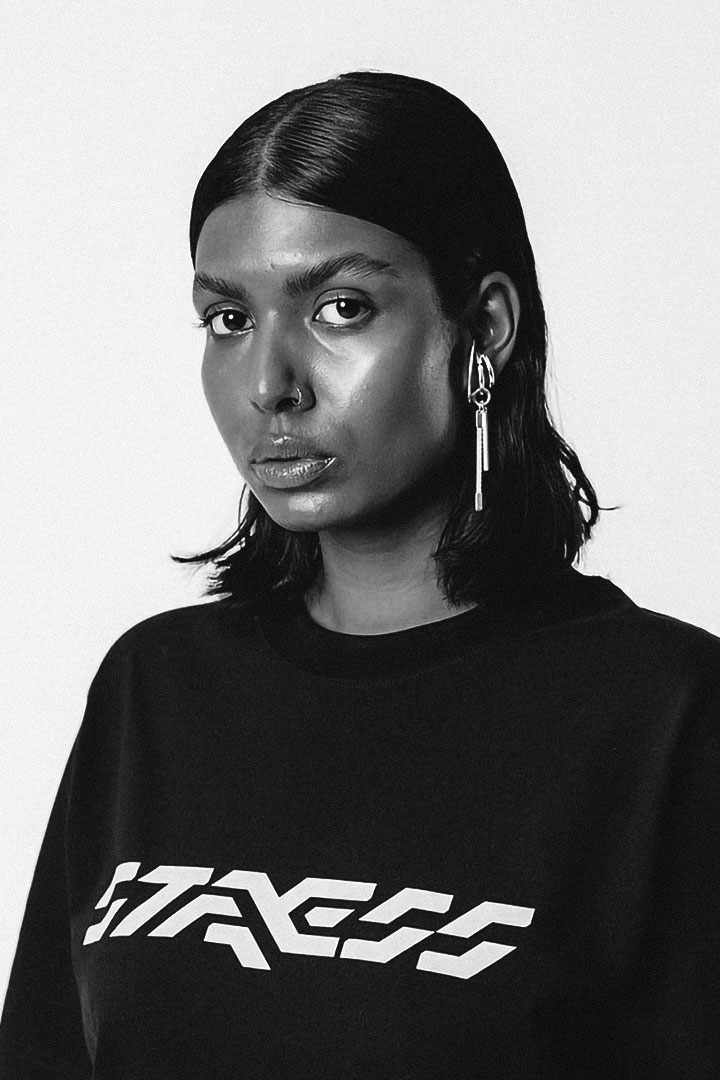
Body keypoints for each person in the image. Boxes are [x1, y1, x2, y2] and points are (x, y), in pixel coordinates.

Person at [1, 71, 718, 1079]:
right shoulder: (156, 689)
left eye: (341, 308)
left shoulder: (664, 714)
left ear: (485, 328)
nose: (270, 385)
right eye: (228, 318)